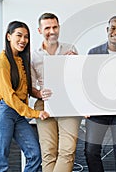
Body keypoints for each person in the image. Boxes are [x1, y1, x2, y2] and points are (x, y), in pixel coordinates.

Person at [0, 21, 50, 172]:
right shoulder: (2, 61)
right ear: (9, 36)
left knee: (34, 154)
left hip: (18, 111)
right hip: (3, 112)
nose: (23, 40)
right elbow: (9, 96)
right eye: (19, 35)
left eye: (26, 37)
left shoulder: (21, 59)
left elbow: (25, 89)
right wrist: (35, 113)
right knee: (1, 160)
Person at [31, 13, 82, 172]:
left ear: (59, 28)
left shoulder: (70, 49)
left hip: (69, 102)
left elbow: (80, 80)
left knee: (67, 151)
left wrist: (75, 63)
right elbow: (31, 87)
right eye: (47, 28)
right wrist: (40, 94)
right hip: (45, 104)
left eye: (55, 27)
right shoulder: (33, 55)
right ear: (40, 30)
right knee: (48, 152)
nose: (52, 31)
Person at [84, 15, 116, 172]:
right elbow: (87, 81)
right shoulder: (93, 53)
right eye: (113, 28)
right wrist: (85, 105)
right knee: (91, 151)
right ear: (107, 30)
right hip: (97, 110)